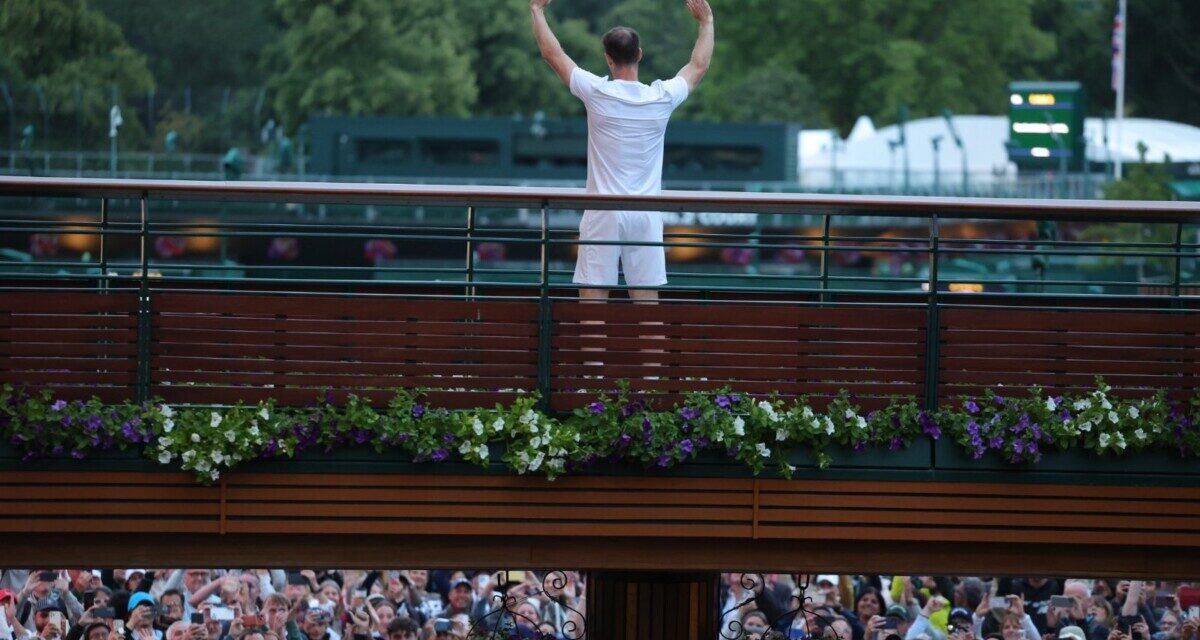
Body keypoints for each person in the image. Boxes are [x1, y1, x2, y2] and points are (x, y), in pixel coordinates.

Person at [530, 0, 714, 301]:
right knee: (646, 305)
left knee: (592, 305)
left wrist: (537, 10)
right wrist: (706, 22)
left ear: (608, 58)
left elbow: (552, 54)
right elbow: (698, 66)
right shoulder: (661, 98)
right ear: (639, 54)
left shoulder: (596, 93)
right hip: (646, 215)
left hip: (603, 214)